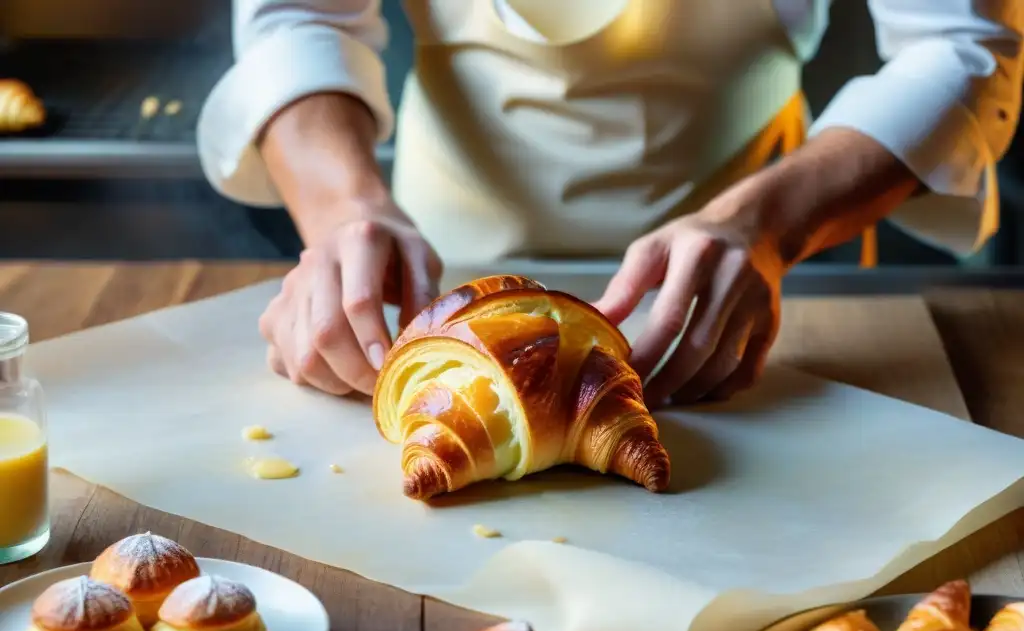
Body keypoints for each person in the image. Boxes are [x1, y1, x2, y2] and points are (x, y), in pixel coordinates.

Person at [197, 0, 1023, 406]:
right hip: (430, 287)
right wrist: (346, 212)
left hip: (758, 291)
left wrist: (762, 227)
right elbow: (299, 19)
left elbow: (963, 47)